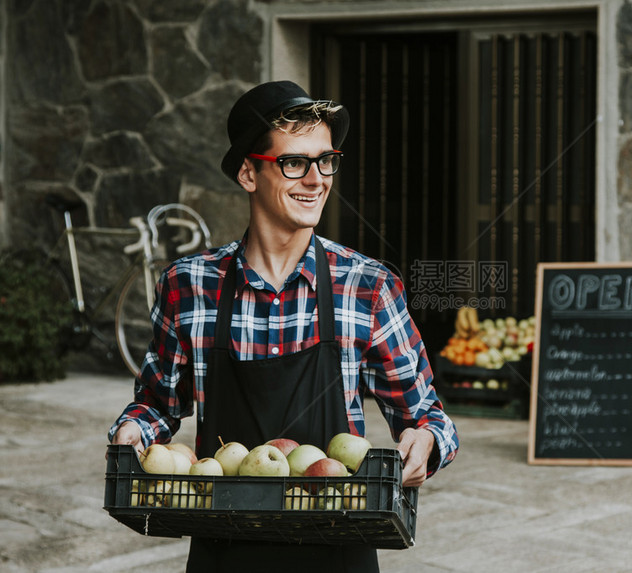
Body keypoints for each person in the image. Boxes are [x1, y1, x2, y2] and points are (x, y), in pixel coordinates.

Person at [108, 80, 459, 572]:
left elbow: (429, 418)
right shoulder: (188, 287)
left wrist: (425, 443)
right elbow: (156, 406)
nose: (316, 179)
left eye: (326, 160)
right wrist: (132, 432)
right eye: (294, 162)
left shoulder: (368, 286)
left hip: (340, 549)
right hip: (223, 549)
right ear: (249, 172)